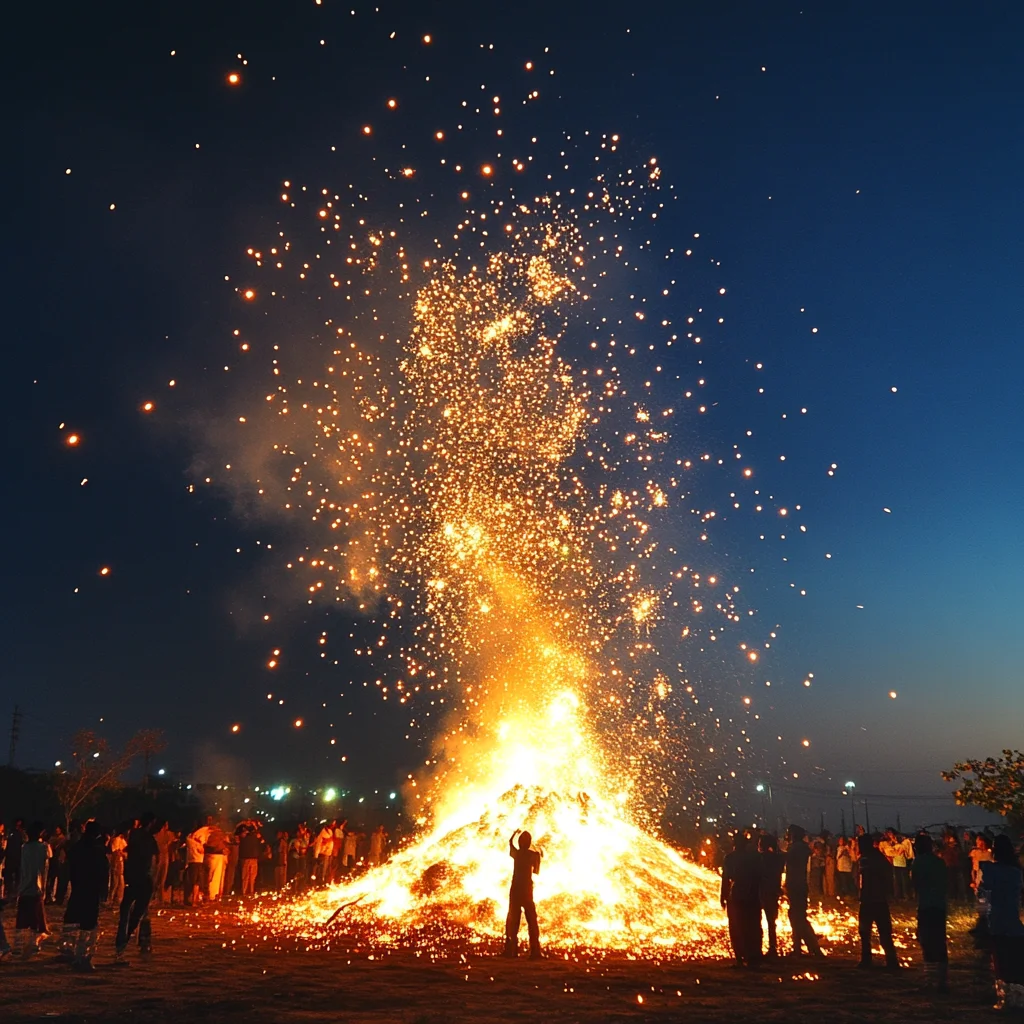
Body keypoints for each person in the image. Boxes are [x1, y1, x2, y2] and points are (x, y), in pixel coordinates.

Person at [978, 835, 1024, 1010]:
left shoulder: (990, 870)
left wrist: (982, 919)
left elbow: (983, 897)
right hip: (1013, 924)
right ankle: (1017, 999)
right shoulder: (1016, 872)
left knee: (1000, 963)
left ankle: (1004, 999)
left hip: (997, 922)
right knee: (1015, 964)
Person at [58, 820, 109, 971]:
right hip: (91, 891)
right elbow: (103, 873)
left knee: (72, 920)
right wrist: (103, 892)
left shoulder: (76, 848)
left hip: (77, 888)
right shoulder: (97, 850)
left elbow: (69, 866)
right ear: (98, 833)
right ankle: (83, 957)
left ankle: (68, 952)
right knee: (88, 924)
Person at [115, 813, 159, 963]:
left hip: (132, 878)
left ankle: (121, 944)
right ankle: (140, 942)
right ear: (151, 824)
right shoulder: (149, 840)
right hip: (143, 879)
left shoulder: (133, 836)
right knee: (141, 913)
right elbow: (153, 862)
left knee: (126, 911)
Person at [912, 833, 948, 991]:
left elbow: (915, 884)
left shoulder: (918, 862)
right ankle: (942, 981)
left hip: (926, 906)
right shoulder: (939, 862)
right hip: (939, 907)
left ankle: (929, 981)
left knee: (927, 942)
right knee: (940, 943)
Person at [857, 833, 899, 969]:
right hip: (876, 899)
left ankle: (869, 960)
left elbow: (867, 879)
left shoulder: (868, 859)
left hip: (872, 899)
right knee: (878, 932)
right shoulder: (876, 857)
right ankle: (889, 961)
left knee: (869, 931)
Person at [721, 833, 762, 967]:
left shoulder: (730, 858)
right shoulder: (753, 857)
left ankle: (740, 957)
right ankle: (752, 955)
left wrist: (723, 896)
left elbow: (726, 879)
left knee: (736, 926)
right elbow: (759, 877)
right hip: (751, 895)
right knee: (751, 925)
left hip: (737, 894)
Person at [503, 829, 542, 959]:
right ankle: (535, 951)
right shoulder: (533, 855)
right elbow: (536, 871)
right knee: (532, 921)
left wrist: (514, 833)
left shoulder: (517, 853)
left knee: (512, 920)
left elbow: (510, 843)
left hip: (515, 890)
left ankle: (511, 951)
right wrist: (537, 851)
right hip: (527, 891)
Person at [784, 825, 822, 957]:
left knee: (797, 917)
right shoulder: (800, 847)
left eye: (789, 833)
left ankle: (809, 948)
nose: (787, 835)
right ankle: (802, 947)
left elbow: (787, 860)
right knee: (796, 916)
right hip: (798, 884)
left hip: (797, 885)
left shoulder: (797, 848)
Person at [15, 822, 50, 958]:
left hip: (24, 887)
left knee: (22, 917)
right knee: (36, 918)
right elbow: (44, 869)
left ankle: (18, 944)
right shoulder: (43, 848)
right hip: (37, 887)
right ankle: (34, 943)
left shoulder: (24, 848)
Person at [758, 834, 784, 958]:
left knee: (757, 921)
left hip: (762, 891)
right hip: (773, 892)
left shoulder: (761, 858)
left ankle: (757, 947)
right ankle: (773, 947)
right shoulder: (778, 858)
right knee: (771, 922)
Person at [204, 821, 229, 901]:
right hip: (213, 857)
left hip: (219, 857)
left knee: (217, 877)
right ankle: (210, 894)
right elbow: (209, 845)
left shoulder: (219, 834)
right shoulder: (208, 833)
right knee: (212, 877)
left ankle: (216, 894)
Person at [238, 824, 265, 897]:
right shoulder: (255, 836)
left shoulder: (244, 835)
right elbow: (262, 841)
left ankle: (246, 891)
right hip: (252, 858)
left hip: (247, 858)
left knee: (246, 876)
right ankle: (250, 891)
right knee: (251, 876)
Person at [184, 823, 207, 905]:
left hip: (199, 862)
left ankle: (195, 900)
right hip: (194, 862)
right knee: (193, 882)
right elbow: (201, 850)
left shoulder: (195, 840)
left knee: (197, 882)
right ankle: (191, 900)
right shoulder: (191, 840)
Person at [107, 824, 128, 907]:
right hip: (116, 863)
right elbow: (115, 851)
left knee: (120, 881)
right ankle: (110, 899)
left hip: (120, 863)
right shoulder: (116, 840)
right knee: (115, 881)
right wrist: (121, 853)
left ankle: (117, 899)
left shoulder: (122, 840)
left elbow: (125, 851)